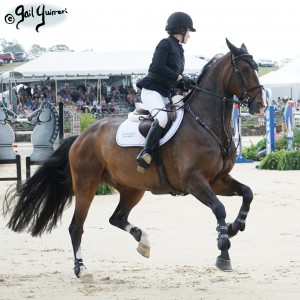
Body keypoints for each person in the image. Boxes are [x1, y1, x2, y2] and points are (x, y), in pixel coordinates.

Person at [135, 11, 196, 172]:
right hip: (152, 91)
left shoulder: (179, 49)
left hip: (165, 94)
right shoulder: (165, 44)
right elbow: (157, 68)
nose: (189, 35)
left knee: (183, 116)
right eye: (189, 31)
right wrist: (179, 77)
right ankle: (145, 153)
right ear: (182, 30)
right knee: (162, 118)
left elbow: (175, 77)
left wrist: (187, 83)